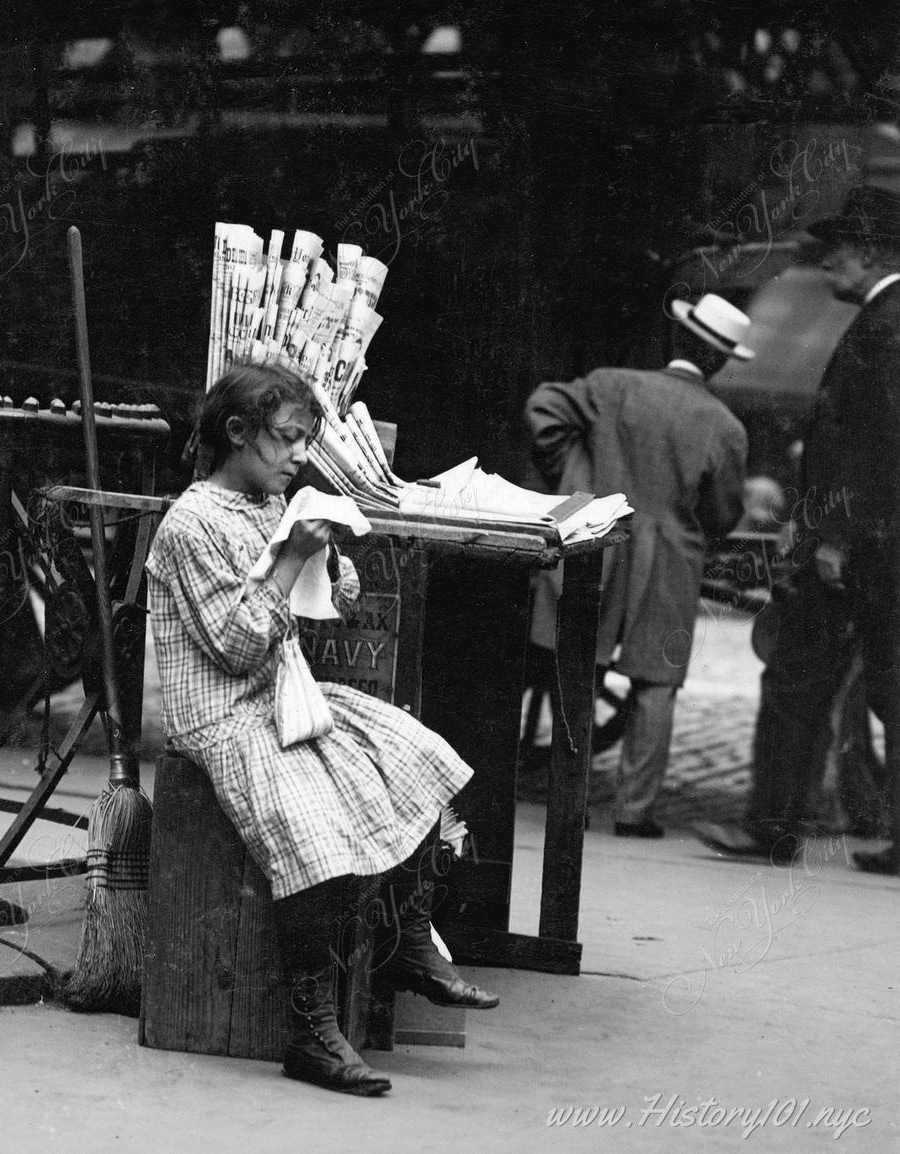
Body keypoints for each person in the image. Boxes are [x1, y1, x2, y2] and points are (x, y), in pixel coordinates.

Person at [145, 362, 499, 1098]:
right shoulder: (192, 523)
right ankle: (312, 1030)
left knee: (417, 757)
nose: (300, 455)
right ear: (237, 435)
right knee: (309, 829)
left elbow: (338, 597)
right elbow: (237, 646)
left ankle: (403, 940)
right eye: (288, 440)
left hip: (284, 694)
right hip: (222, 715)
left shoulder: (266, 502)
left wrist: (327, 550)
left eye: (306, 440)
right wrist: (293, 556)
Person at [703, 185, 900, 875]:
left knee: (796, 681)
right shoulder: (883, 318)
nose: (827, 268)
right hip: (876, 546)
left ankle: (774, 827)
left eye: (839, 253)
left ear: (872, 252)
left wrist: (836, 537)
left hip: (857, 549)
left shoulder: (887, 323)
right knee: (884, 688)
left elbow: (877, 446)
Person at [525, 294, 750, 838]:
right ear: (719, 361)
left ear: (677, 341)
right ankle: (635, 812)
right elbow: (722, 514)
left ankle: (569, 797)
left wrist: (575, 474)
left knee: (580, 664)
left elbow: (543, 410)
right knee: (656, 683)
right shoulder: (725, 426)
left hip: (597, 538)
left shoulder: (611, 385)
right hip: (671, 558)